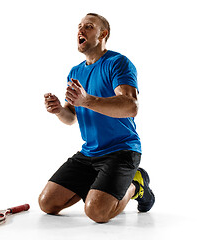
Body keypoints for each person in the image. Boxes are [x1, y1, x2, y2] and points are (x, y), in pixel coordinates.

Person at [38, 13, 155, 223]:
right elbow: (71, 117)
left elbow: (131, 106)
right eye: (79, 27)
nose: (80, 31)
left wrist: (87, 100)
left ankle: (137, 185)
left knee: (97, 213)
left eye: (89, 27)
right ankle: (100, 183)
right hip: (89, 153)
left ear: (103, 34)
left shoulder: (118, 63)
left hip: (122, 151)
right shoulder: (75, 72)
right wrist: (58, 111)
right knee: (47, 203)